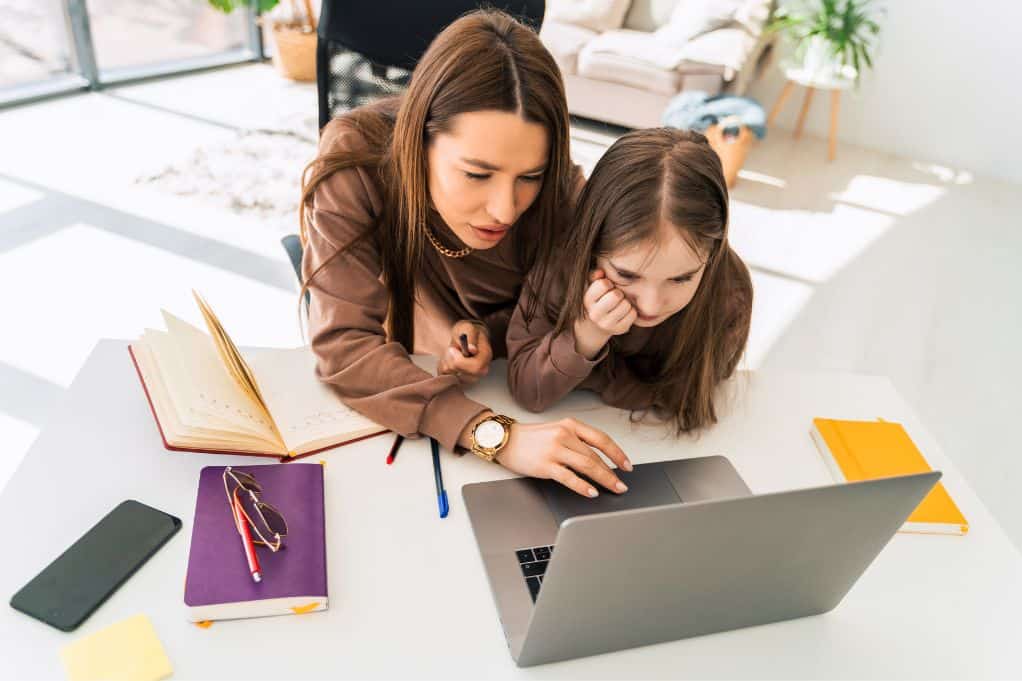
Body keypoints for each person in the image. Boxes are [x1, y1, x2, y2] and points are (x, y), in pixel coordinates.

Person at [299, 10, 631, 499]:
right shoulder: (354, 158)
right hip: (414, 396)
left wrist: (491, 333)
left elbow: (558, 310)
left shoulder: (560, 192)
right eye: (477, 174)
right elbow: (344, 345)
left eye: (529, 177)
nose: (505, 209)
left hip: (501, 379)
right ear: (418, 139)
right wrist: (496, 435)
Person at [507, 127, 754, 435]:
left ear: (713, 252)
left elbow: (688, 394)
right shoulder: (560, 266)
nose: (650, 304)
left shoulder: (730, 294)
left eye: (681, 278)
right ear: (593, 244)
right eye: (626, 274)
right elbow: (527, 389)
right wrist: (587, 335)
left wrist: (599, 378)